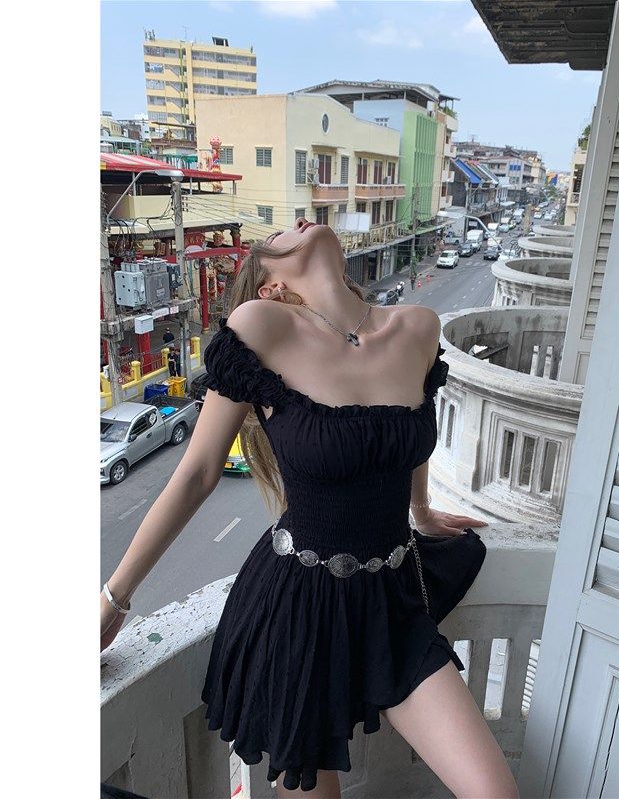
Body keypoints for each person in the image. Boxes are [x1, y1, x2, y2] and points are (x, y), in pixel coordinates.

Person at [100, 217, 519, 798]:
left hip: (393, 602)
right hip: (299, 611)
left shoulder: (419, 327)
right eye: (275, 239)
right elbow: (196, 473)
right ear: (271, 285)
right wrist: (114, 598)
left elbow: (407, 438)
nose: (296, 223)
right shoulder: (262, 326)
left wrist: (421, 510)